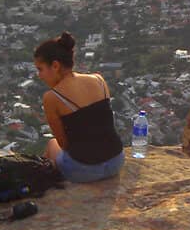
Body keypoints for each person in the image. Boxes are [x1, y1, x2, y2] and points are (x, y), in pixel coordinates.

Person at [34, 31, 124, 183]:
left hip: (85, 170)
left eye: (40, 69)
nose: (39, 75)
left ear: (55, 65)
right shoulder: (99, 80)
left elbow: (64, 144)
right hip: (116, 161)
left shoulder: (52, 97)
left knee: (51, 144)